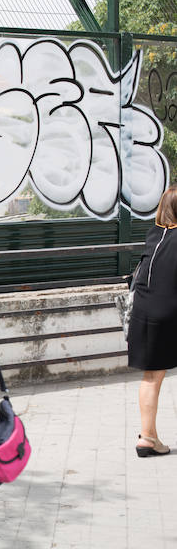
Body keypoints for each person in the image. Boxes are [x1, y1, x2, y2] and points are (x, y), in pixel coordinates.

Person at [127, 185, 177, 458]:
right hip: (170, 313)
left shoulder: (154, 235)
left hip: (144, 314)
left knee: (151, 376)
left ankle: (148, 437)